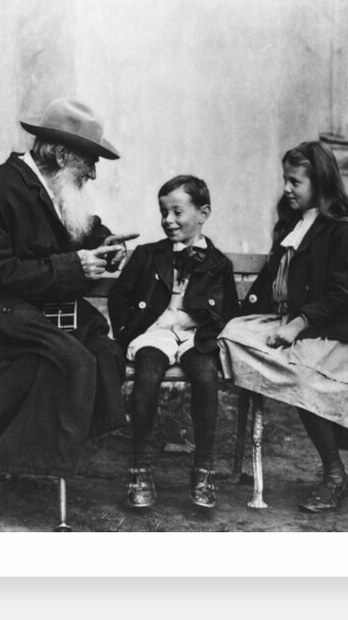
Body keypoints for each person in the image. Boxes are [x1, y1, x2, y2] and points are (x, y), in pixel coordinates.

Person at [0, 97, 136, 516]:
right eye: (90, 161)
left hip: (39, 307)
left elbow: (85, 229)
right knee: (70, 362)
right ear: (61, 153)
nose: (94, 173)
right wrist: (71, 265)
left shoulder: (56, 187)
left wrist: (108, 245)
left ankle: (32, 456)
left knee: (103, 351)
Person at [218, 141, 348, 513]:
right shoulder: (292, 226)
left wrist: (298, 323)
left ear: (321, 183)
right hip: (291, 327)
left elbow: (342, 293)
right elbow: (267, 286)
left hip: (334, 334)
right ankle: (279, 370)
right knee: (231, 334)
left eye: (295, 182)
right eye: (285, 181)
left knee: (303, 377)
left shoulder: (341, 232)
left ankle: (334, 475)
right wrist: (233, 315)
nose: (287, 189)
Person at [108, 175, 239, 509]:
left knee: (206, 378)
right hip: (155, 331)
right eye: (163, 212)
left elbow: (228, 310)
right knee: (147, 375)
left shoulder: (218, 263)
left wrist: (210, 329)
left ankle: (204, 470)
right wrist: (127, 331)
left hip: (195, 335)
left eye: (177, 212)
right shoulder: (148, 255)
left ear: (203, 213)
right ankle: (140, 468)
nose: (168, 220)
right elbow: (120, 295)